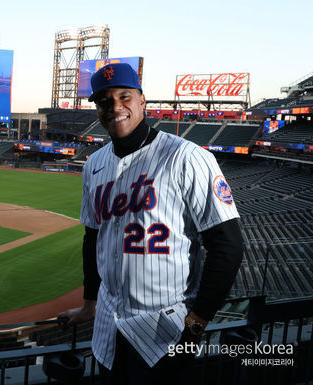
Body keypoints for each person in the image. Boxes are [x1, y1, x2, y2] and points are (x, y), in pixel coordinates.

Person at [58, 63, 243, 385]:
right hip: (106, 328)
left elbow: (227, 243)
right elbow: (92, 236)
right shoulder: (94, 164)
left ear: (142, 101)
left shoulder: (186, 157)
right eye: (104, 101)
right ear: (97, 109)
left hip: (167, 328)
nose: (115, 107)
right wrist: (89, 303)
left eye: (124, 96)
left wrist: (198, 320)